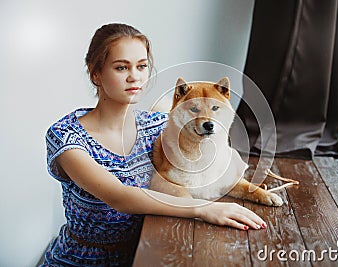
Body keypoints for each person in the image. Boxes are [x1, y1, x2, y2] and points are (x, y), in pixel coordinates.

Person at [40, 23, 267, 267]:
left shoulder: (155, 126)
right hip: (81, 261)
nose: (134, 77)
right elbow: (120, 197)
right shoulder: (67, 136)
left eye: (142, 66)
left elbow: (205, 150)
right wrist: (203, 208)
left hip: (148, 255)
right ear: (96, 74)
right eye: (121, 67)